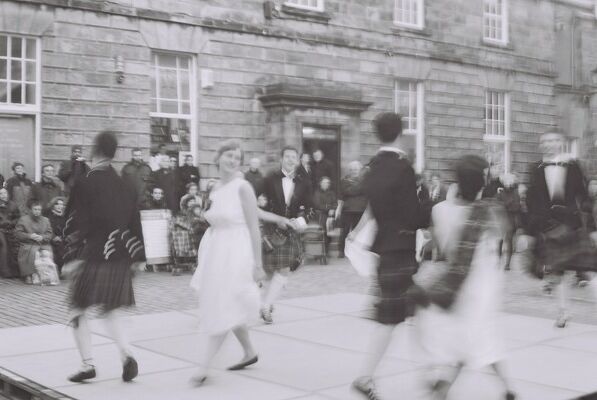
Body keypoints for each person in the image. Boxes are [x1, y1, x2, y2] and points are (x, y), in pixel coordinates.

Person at [189, 140, 286, 386]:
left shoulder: (243, 187)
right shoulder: (214, 188)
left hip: (237, 250)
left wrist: (257, 263)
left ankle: (204, 367)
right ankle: (249, 352)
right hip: (217, 250)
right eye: (229, 155)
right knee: (228, 303)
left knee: (224, 304)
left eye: (237, 157)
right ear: (218, 157)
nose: (233, 160)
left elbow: (254, 226)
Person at [418, 155, 515, 400]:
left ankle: (445, 389)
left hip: (457, 282)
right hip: (484, 285)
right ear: (482, 182)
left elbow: (442, 249)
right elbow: (501, 245)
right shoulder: (491, 210)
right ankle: (506, 389)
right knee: (481, 338)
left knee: (467, 341)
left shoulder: (440, 210)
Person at [352, 112, 429, 399]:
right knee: (391, 317)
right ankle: (365, 376)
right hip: (400, 251)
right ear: (400, 133)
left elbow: (376, 208)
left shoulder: (372, 168)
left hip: (386, 247)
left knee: (416, 311)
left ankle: (429, 374)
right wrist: (430, 203)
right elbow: (413, 215)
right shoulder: (403, 168)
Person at [63, 131, 143, 383]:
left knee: (77, 309)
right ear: (114, 152)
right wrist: (139, 256)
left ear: (95, 150)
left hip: (93, 255)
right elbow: (134, 220)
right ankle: (126, 354)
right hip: (120, 255)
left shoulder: (85, 182)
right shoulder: (126, 183)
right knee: (111, 309)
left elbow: (77, 223)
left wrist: (71, 258)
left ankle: (88, 364)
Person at [526, 129, 597, 327]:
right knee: (557, 273)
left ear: (561, 143)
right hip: (549, 229)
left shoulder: (574, 166)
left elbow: (585, 200)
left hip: (574, 227)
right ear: (541, 145)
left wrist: (592, 229)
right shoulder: (535, 169)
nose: (549, 144)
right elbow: (531, 202)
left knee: (590, 271)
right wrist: (529, 232)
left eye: (554, 140)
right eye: (545, 141)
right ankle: (563, 313)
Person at [260, 146, 312, 324]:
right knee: (266, 270)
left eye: (294, 157)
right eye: (287, 156)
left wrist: (302, 220)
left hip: (291, 231)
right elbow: (259, 202)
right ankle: (264, 300)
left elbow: (310, 207)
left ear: (298, 161)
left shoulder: (304, 181)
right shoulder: (269, 178)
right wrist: (273, 219)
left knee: (284, 269)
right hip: (271, 228)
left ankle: (266, 306)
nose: (291, 160)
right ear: (281, 159)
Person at [14, 201, 53, 284]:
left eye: (39, 209)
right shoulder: (23, 219)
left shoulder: (46, 220)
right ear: (31, 210)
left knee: (47, 252)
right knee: (32, 252)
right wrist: (30, 236)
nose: (37, 211)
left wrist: (42, 237)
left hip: (42, 243)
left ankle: (46, 275)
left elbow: (50, 234)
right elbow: (18, 233)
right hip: (28, 243)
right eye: (35, 209)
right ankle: (28, 275)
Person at [336, 161, 367, 258]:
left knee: (358, 232)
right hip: (348, 210)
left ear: (359, 170)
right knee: (344, 231)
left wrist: (354, 189)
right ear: (349, 171)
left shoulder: (364, 181)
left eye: (356, 169)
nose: (354, 171)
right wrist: (359, 187)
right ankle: (341, 251)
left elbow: (363, 191)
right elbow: (346, 191)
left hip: (361, 209)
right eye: (352, 169)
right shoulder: (344, 181)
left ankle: (355, 251)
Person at [0, 188, 20, 278]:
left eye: (5, 193)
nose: (4, 195)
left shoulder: (13, 205)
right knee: (4, 246)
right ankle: (5, 271)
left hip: (11, 229)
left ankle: (15, 270)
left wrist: (12, 223)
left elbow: (18, 217)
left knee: (14, 246)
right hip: (0, 230)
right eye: (1, 193)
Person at [45, 196, 67, 275]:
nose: (59, 206)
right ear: (53, 205)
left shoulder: (65, 217)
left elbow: (67, 229)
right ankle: (53, 271)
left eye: (61, 204)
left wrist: (62, 237)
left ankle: (59, 270)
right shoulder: (49, 217)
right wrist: (54, 237)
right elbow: (47, 229)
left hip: (62, 240)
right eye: (57, 204)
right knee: (54, 251)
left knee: (62, 249)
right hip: (50, 239)